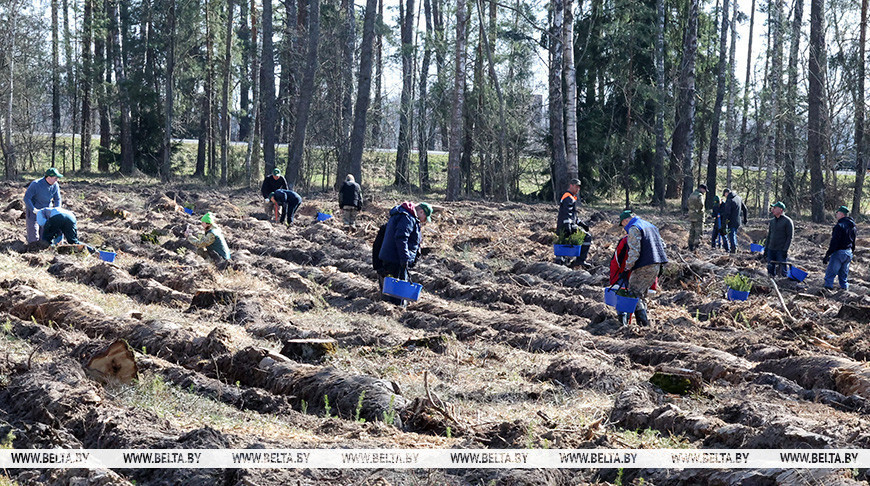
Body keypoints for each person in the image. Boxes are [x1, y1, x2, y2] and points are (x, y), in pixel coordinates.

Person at [617, 210, 668, 326]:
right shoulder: (650, 225)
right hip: (656, 264)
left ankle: (640, 324)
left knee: (633, 293)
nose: (624, 228)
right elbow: (663, 245)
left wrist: (627, 268)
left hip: (644, 266)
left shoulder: (634, 228)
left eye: (623, 224)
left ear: (626, 220)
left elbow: (634, 252)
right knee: (641, 295)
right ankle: (643, 325)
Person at [378, 201, 433, 305]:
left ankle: (392, 307)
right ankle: (395, 309)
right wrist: (404, 258)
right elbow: (401, 238)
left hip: (393, 257)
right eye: (425, 218)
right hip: (396, 260)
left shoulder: (404, 215)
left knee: (391, 292)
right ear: (421, 212)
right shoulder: (407, 218)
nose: (424, 221)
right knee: (396, 294)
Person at [555, 178, 593, 268]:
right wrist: (568, 225)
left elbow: (573, 216)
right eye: (576, 186)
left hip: (565, 226)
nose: (578, 189)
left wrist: (581, 224)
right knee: (587, 237)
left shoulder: (570, 197)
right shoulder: (568, 197)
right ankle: (580, 261)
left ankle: (562, 261)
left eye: (579, 187)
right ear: (571, 185)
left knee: (563, 243)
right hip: (566, 226)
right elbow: (566, 213)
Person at [23, 168, 63, 243]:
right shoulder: (36, 184)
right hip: (34, 211)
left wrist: (57, 209)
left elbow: (57, 199)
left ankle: (43, 246)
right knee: (33, 236)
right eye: (55, 178)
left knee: (44, 236)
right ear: (49, 177)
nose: (57, 180)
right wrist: (33, 209)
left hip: (46, 211)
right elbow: (27, 198)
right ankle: (33, 246)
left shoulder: (55, 185)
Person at [823, 205, 856, 291]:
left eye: (837, 213)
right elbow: (853, 241)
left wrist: (828, 254)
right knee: (843, 275)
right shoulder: (852, 226)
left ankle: (827, 291)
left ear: (841, 214)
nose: (836, 215)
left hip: (839, 253)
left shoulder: (839, 226)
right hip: (848, 252)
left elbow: (834, 242)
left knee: (830, 274)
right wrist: (851, 252)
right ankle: (844, 291)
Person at [764, 201, 794, 277]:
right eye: (772, 208)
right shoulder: (772, 221)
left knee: (782, 270)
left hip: (781, 250)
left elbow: (790, 237)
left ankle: (783, 282)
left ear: (781, 210)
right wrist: (766, 248)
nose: (772, 209)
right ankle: (771, 281)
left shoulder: (787, 221)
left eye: (775, 208)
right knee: (770, 268)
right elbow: (769, 235)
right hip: (771, 249)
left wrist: (785, 250)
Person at [721, 189, 748, 253]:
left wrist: (724, 223)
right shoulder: (739, 198)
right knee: (733, 233)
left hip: (731, 220)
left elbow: (727, 213)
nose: (725, 196)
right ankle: (735, 247)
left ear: (726, 193)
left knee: (732, 234)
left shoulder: (729, 200)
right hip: (738, 220)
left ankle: (734, 249)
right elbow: (745, 209)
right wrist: (745, 219)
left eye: (725, 195)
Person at [686, 184, 707, 251]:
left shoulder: (692, 194)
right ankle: (696, 246)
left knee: (692, 231)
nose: (705, 192)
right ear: (702, 189)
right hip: (698, 217)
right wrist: (699, 211)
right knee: (698, 232)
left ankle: (690, 245)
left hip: (691, 216)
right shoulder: (700, 195)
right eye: (705, 190)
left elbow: (688, 203)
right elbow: (701, 204)